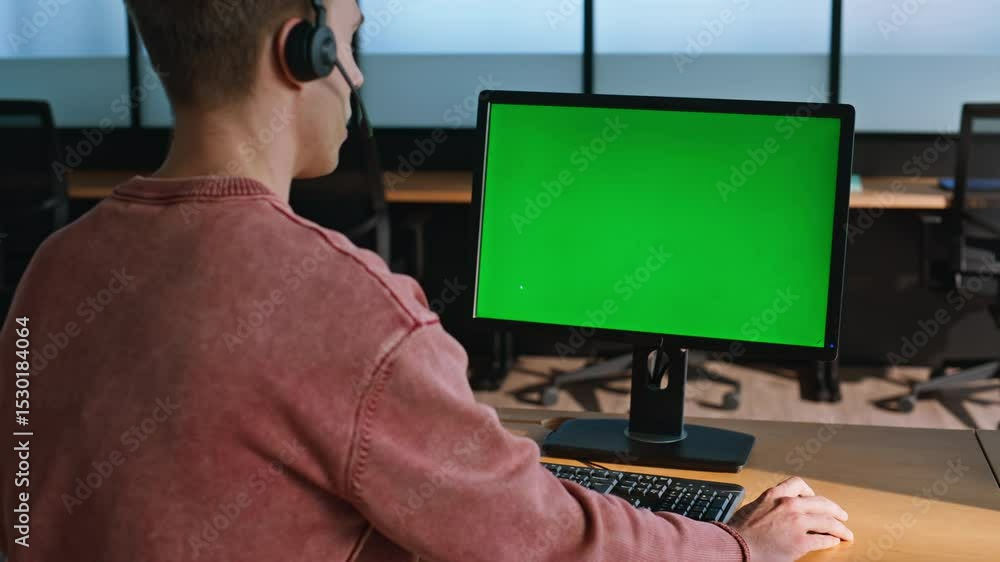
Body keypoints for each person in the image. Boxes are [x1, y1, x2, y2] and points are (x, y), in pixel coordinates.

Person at [0, 0, 853, 560]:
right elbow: (540, 540)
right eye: (353, 37)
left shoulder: (55, 273)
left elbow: (28, 516)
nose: (359, 76)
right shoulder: (345, 306)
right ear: (301, 47)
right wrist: (744, 548)